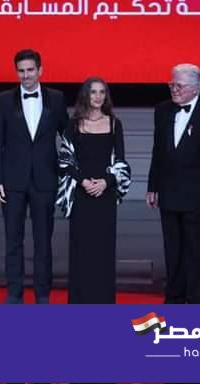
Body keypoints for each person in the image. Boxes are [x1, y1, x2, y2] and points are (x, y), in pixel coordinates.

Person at [146, 63, 200, 304]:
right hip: (169, 194)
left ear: (196, 88)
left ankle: (196, 302)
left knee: (197, 251)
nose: (174, 89)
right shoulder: (162, 111)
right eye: (171, 84)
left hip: (199, 197)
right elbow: (158, 152)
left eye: (179, 86)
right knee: (173, 251)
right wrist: (152, 186)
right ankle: (174, 299)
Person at [0, 49, 68, 304]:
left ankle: (42, 294)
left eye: (30, 70)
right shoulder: (4, 99)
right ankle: (14, 294)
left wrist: (71, 173)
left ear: (40, 70)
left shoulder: (57, 98)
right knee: (13, 240)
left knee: (43, 241)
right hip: (12, 182)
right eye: (21, 71)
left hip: (46, 179)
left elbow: (68, 138)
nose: (26, 75)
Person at [61, 77, 125, 304]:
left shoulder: (114, 124)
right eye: (93, 92)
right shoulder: (73, 124)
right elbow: (65, 161)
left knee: (103, 251)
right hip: (82, 196)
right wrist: (83, 181)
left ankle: (103, 303)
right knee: (82, 251)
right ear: (85, 95)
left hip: (105, 197)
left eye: (102, 92)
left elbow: (121, 162)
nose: (98, 97)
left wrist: (106, 182)